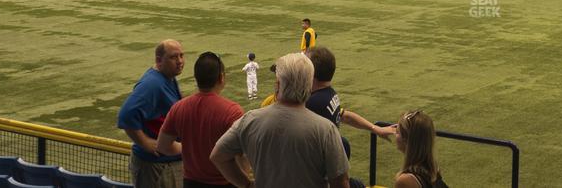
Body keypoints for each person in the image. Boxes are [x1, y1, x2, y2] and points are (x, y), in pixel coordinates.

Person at [210, 53, 349, 188]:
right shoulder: (325, 129)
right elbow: (340, 182)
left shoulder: (250, 120)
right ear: (309, 84)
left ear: (278, 84)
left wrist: (246, 184)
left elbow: (218, 156)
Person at [157, 52, 244, 188]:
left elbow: (162, 146)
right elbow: (242, 157)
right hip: (225, 183)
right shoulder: (232, 111)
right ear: (221, 78)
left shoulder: (179, 107)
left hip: (191, 183)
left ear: (196, 78)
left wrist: (190, 148)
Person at [305, 47, 395, 163]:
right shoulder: (329, 94)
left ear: (311, 72)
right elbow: (344, 115)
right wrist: (375, 128)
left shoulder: (313, 102)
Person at [118, 40, 185, 188]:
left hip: (163, 165)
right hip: (156, 168)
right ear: (159, 60)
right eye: (173, 57)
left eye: (181, 55)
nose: (180, 61)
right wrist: (145, 142)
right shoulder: (153, 84)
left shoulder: (168, 77)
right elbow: (126, 115)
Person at [389, 111, 448, 188]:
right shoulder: (433, 168)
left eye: (397, 132)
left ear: (406, 140)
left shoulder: (406, 181)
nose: (394, 134)